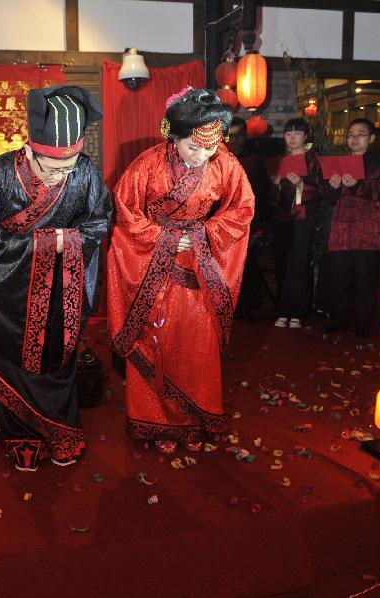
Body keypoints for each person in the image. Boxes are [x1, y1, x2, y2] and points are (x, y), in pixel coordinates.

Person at [0, 86, 112, 472]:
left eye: (68, 167)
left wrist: (70, 241)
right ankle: (19, 438)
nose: (62, 175)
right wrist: (42, 245)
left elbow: (99, 221)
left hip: (65, 286)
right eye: (52, 167)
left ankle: (62, 432)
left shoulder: (85, 173)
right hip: (11, 290)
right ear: (29, 150)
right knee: (14, 361)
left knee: (59, 361)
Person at [107, 87, 254, 453]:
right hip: (152, 266)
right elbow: (125, 211)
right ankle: (155, 423)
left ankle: (194, 419)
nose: (202, 155)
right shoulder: (147, 164)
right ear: (173, 136)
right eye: (193, 146)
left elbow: (242, 208)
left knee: (195, 345)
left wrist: (205, 234)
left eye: (210, 147)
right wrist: (166, 239)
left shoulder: (226, 164)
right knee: (155, 343)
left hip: (198, 266)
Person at [324, 118, 380, 338]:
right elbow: (328, 198)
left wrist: (358, 185)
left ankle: (363, 325)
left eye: (361, 134)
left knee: (365, 278)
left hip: (367, 226)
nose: (354, 138)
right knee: (339, 276)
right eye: (351, 134)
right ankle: (339, 319)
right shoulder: (340, 161)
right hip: (342, 225)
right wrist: (332, 188)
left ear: (372, 138)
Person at [269, 118, 325, 329]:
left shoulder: (313, 160)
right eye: (288, 133)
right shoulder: (281, 159)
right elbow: (272, 197)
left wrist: (301, 185)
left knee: (300, 262)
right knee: (284, 263)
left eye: (297, 133)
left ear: (305, 136)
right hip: (282, 217)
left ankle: (299, 311)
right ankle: (283, 309)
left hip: (304, 215)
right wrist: (275, 185)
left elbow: (321, 190)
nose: (292, 138)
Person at [226, 116, 268, 321]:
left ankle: (247, 307)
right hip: (223, 223)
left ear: (245, 137)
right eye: (230, 135)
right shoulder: (216, 158)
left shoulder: (255, 161)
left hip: (247, 221)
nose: (234, 140)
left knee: (247, 265)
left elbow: (262, 194)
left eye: (239, 135)